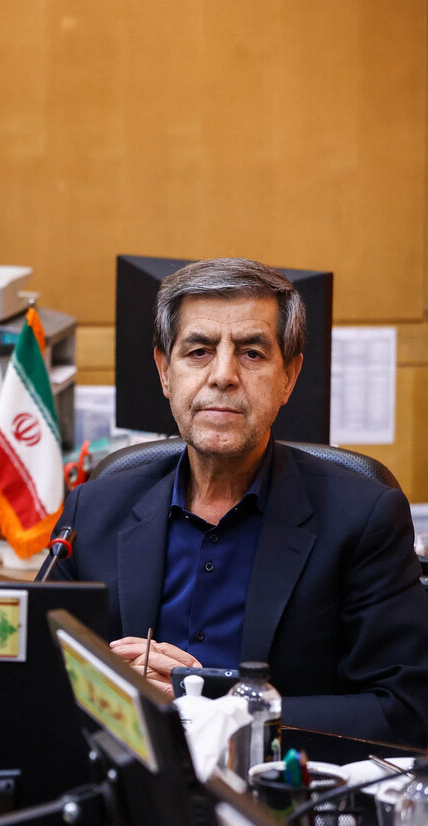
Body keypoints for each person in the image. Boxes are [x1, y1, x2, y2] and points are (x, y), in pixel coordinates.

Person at [53, 257, 428, 747]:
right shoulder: (93, 510)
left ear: (289, 376)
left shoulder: (364, 518)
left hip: (277, 786)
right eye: (199, 352)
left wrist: (214, 703)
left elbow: (405, 711)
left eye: (251, 353)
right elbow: (37, 675)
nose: (223, 375)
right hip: (129, 776)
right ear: (165, 372)